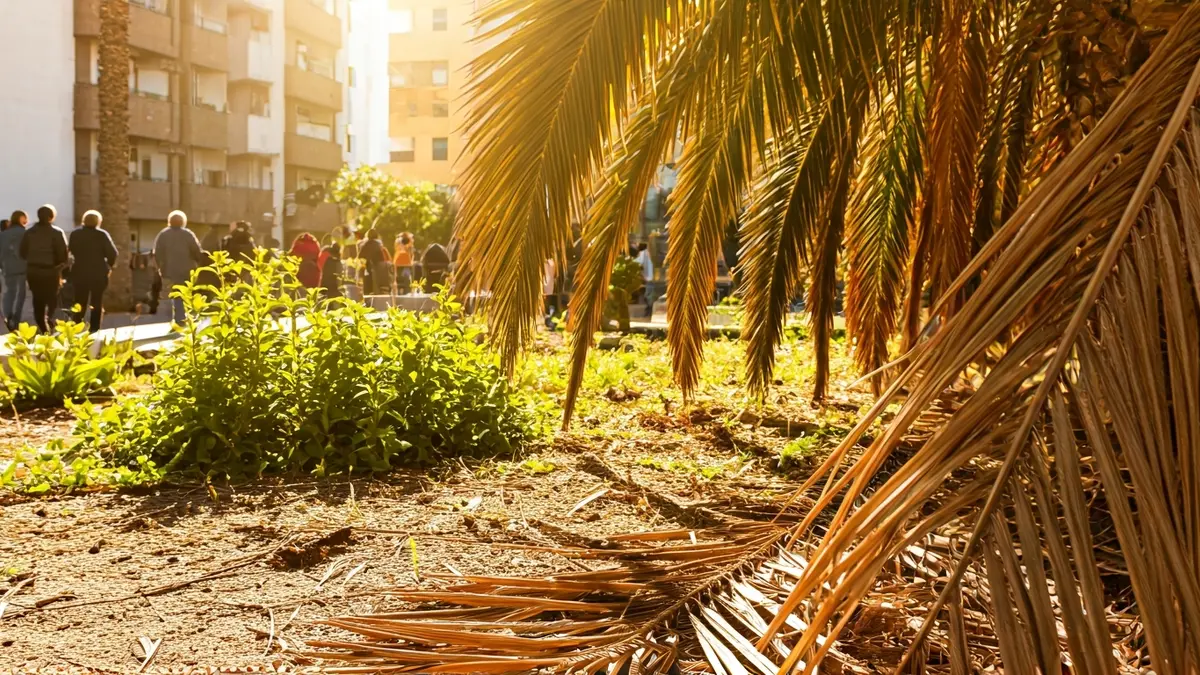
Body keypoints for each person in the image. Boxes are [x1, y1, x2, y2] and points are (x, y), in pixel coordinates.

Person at [19, 205, 69, 334]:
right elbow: (63, 254)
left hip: (33, 271)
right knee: (52, 298)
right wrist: (60, 265)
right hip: (51, 271)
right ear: (51, 217)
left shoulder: (29, 232)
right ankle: (50, 322)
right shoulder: (57, 233)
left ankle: (42, 326)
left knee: (38, 299)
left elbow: (22, 252)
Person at [67, 210, 119, 332]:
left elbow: (70, 250)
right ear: (98, 222)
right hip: (98, 272)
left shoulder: (75, 234)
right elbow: (113, 253)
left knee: (79, 300)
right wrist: (109, 266)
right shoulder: (102, 235)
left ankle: (76, 327)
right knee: (97, 301)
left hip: (79, 271)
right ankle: (94, 329)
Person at [153, 210, 204, 324]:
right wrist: (198, 264)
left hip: (169, 271)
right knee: (184, 294)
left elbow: (157, 253)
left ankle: (175, 319)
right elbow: (196, 251)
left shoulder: (163, 234)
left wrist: (159, 268)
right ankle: (182, 318)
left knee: (172, 295)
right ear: (183, 222)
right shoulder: (188, 234)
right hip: (186, 270)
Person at [0, 210, 28, 331]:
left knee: (9, 293)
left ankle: (8, 315)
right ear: (21, 218)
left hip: (8, 268)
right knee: (21, 294)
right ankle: (15, 320)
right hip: (23, 267)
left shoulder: (4, 234)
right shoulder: (25, 233)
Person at [358, 229, 389, 295]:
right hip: (380, 269)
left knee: (368, 289)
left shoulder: (366, 245)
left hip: (369, 269)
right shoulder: (379, 245)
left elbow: (360, 257)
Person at [635, 242, 654, 316]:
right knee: (648, 294)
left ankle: (649, 310)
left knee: (648, 295)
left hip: (648, 278)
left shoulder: (643, 253)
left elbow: (638, 262)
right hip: (650, 278)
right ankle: (649, 309)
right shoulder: (647, 253)